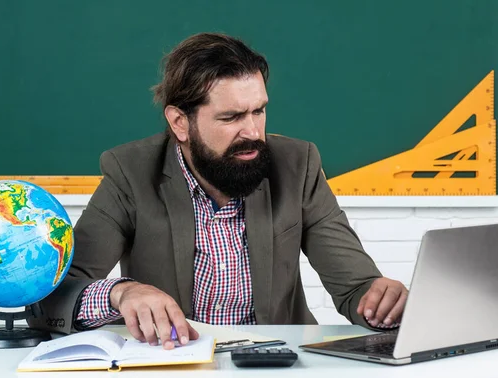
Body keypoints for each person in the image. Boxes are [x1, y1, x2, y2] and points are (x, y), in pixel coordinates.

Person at [28, 32, 408, 350]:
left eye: (259, 111)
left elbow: (357, 287)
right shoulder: (130, 173)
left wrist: (381, 300)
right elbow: (52, 296)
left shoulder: (298, 164)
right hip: (176, 363)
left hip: (278, 362)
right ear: (180, 122)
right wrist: (121, 294)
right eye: (231, 118)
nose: (253, 133)